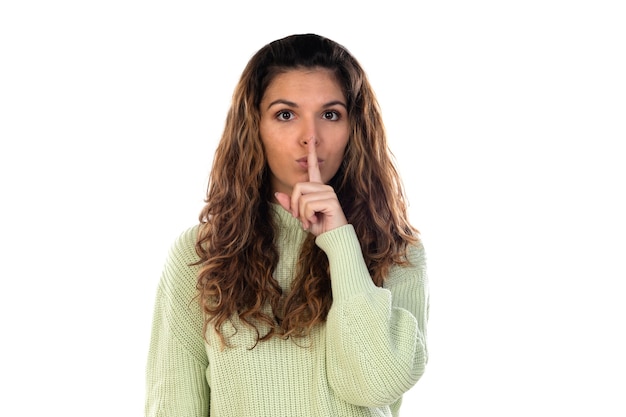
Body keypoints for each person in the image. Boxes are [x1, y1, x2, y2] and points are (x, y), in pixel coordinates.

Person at [145, 33, 429, 417]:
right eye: (285, 114)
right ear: (255, 128)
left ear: (354, 128)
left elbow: (375, 383)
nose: (310, 137)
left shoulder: (397, 251)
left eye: (331, 115)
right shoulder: (201, 252)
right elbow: (173, 404)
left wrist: (340, 243)